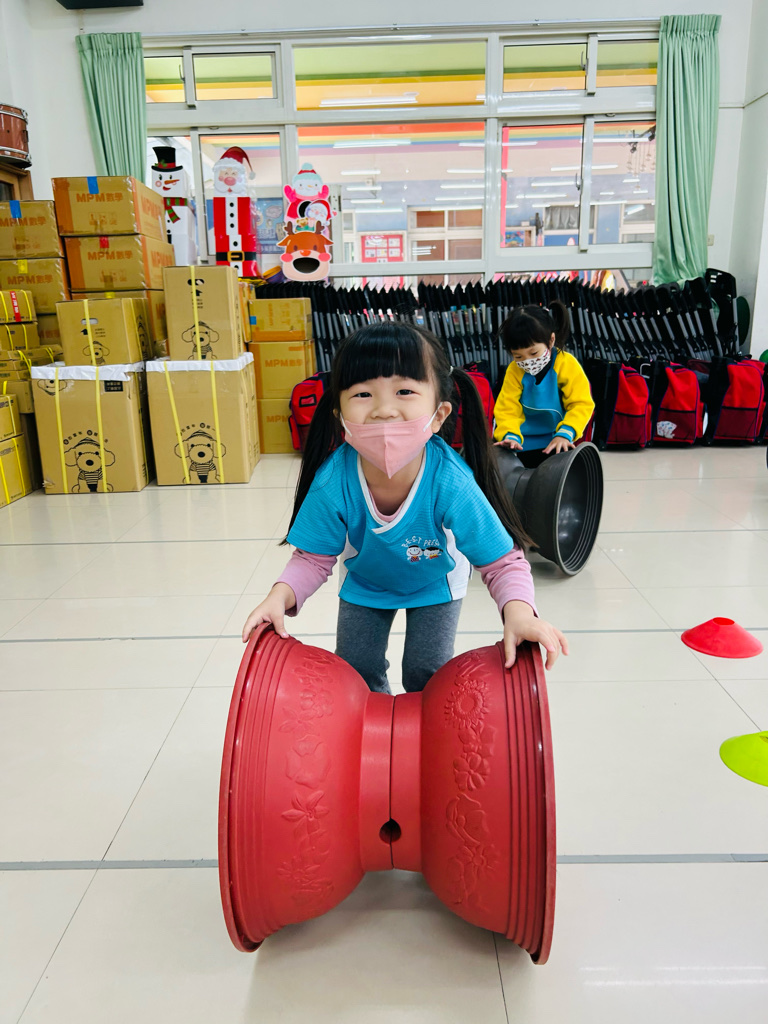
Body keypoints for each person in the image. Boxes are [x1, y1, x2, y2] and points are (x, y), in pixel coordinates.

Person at [242, 322, 567, 694]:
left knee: (426, 675)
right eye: (363, 394)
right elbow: (312, 559)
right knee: (356, 674)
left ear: (439, 414)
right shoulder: (334, 480)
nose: (384, 410)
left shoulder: (451, 481)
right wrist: (278, 597)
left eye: (405, 391)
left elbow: (501, 561)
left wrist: (520, 614)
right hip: (367, 579)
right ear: (339, 415)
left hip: (436, 581)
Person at [494, 302, 594, 468]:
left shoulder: (566, 364)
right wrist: (510, 435)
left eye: (533, 353)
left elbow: (581, 404)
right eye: (518, 356)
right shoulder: (514, 371)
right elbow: (507, 408)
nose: (527, 361)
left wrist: (565, 433)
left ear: (551, 340)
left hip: (558, 440)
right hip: (521, 443)